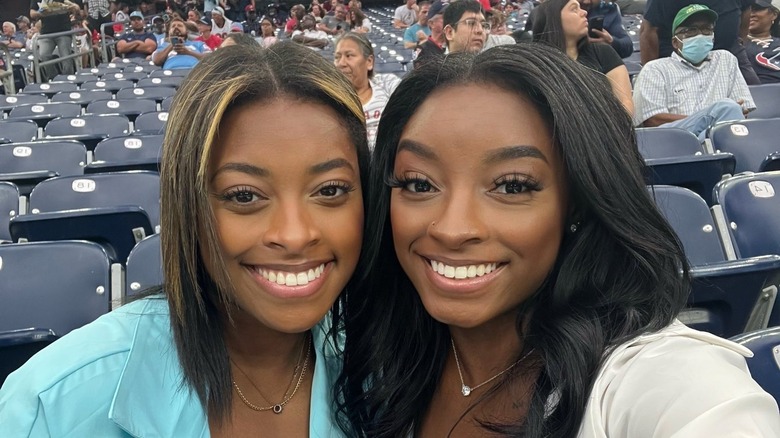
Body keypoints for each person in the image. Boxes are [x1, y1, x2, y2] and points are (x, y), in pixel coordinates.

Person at [335, 42, 780, 438]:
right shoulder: (378, 357)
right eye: (418, 183)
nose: (452, 229)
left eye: (511, 186)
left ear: (579, 203)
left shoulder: (653, 378)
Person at [0, 41, 369, 437]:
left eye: (330, 190)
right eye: (243, 196)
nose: (295, 235)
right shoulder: (50, 404)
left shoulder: (390, 371)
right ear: (187, 208)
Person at [633, 4, 754, 140]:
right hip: (673, 140)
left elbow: (742, 112)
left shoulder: (726, 60)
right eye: (690, 31)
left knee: (730, 115)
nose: (700, 35)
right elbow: (652, 120)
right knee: (727, 107)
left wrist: (713, 121)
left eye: (706, 29)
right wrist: (711, 117)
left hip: (721, 140)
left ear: (713, 37)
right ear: (675, 42)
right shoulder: (655, 69)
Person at [532, 0, 634, 115]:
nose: (584, 12)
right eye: (574, 9)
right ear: (553, 18)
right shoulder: (535, 66)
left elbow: (625, 104)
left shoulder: (604, 53)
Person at [641, 0, 760, 84]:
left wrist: (741, 41)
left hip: (730, 49)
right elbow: (649, 30)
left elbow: (746, 9)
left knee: (758, 94)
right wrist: (651, 73)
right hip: (682, 56)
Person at [335, 32, 401, 151]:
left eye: (349, 56)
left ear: (369, 62)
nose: (341, 63)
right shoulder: (329, 99)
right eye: (337, 57)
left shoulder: (386, 83)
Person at [30, 0, 80, 80]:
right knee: (44, 55)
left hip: (63, 31)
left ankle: (69, 80)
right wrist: (41, 13)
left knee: (66, 57)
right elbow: (32, 13)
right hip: (46, 32)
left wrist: (73, 7)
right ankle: (54, 78)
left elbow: (76, 8)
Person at [746, 0, 780, 82]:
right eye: (747, 10)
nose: (751, 14)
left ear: (774, 14)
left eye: (756, 9)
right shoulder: (736, 45)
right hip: (752, 91)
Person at [413, 0, 447, 67]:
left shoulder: (455, 45)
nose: (450, 20)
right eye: (445, 17)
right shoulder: (423, 49)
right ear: (431, 23)